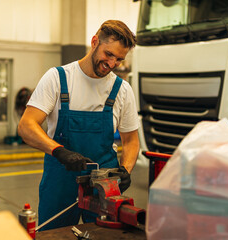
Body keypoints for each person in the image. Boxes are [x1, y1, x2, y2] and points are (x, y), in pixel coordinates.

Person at [18, 20, 139, 231]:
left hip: (104, 184)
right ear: (94, 42)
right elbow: (26, 126)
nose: (111, 64)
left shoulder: (122, 90)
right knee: (53, 235)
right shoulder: (58, 78)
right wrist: (59, 151)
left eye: (119, 59)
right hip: (59, 181)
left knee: (106, 235)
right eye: (108, 54)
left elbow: (131, 140)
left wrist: (125, 170)